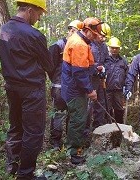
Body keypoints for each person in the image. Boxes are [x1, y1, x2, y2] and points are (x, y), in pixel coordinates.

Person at [0, 0, 53, 178]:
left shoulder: (4, 29)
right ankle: (26, 174)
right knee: (33, 132)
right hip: (32, 90)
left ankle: (11, 167)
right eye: (38, 14)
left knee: (15, 127)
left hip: (11, 88)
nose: (38, 18)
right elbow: (48, 65)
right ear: (30, 10)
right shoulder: (34, 35)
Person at [61, 17, 102, 164]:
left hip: (73, 88)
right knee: (78, 120)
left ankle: (74, 148)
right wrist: (90, 90)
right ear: (88, 31)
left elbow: (83, 66)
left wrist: (94, 69)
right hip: (75, 90)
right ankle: (74, 153)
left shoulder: (81, 41)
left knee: (77, 119)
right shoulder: (79, 45)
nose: (96, 37)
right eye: (95, 34)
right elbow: (78, 73)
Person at [48, 20, 81, 150]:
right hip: (59, 87)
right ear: (72, 31)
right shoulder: (58, 46)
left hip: (73, 88)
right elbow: (50, 67)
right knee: (58, 114)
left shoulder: (78, 47)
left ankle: (70, 140)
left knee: (72, 114)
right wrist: (57, 81)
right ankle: (55, 141)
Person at [87, 22, 112, 129]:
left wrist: (104, 68)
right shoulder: (88, 45)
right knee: (88, 106)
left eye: (105, 37)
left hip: (100, 79)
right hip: (89, 80)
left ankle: (98, 127)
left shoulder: (104, 47)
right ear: (96, 33)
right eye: (102, 36)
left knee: (100, 103)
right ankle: (85, 130)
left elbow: (107, 60)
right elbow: (86, 62)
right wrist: (96, 68)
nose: (103, 39)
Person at [104, 37, 128, 123]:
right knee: (107, 110)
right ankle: (108, 129)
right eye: (112, 47)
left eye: (116, 48)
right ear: (109, 48)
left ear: (119, 49)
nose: (114, 50)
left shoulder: (123, 61)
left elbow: (127, 75)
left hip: (119, 90)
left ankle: (120, 128)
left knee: (119, 110)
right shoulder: (105, 60)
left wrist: (127, 87)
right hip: (107, 90)